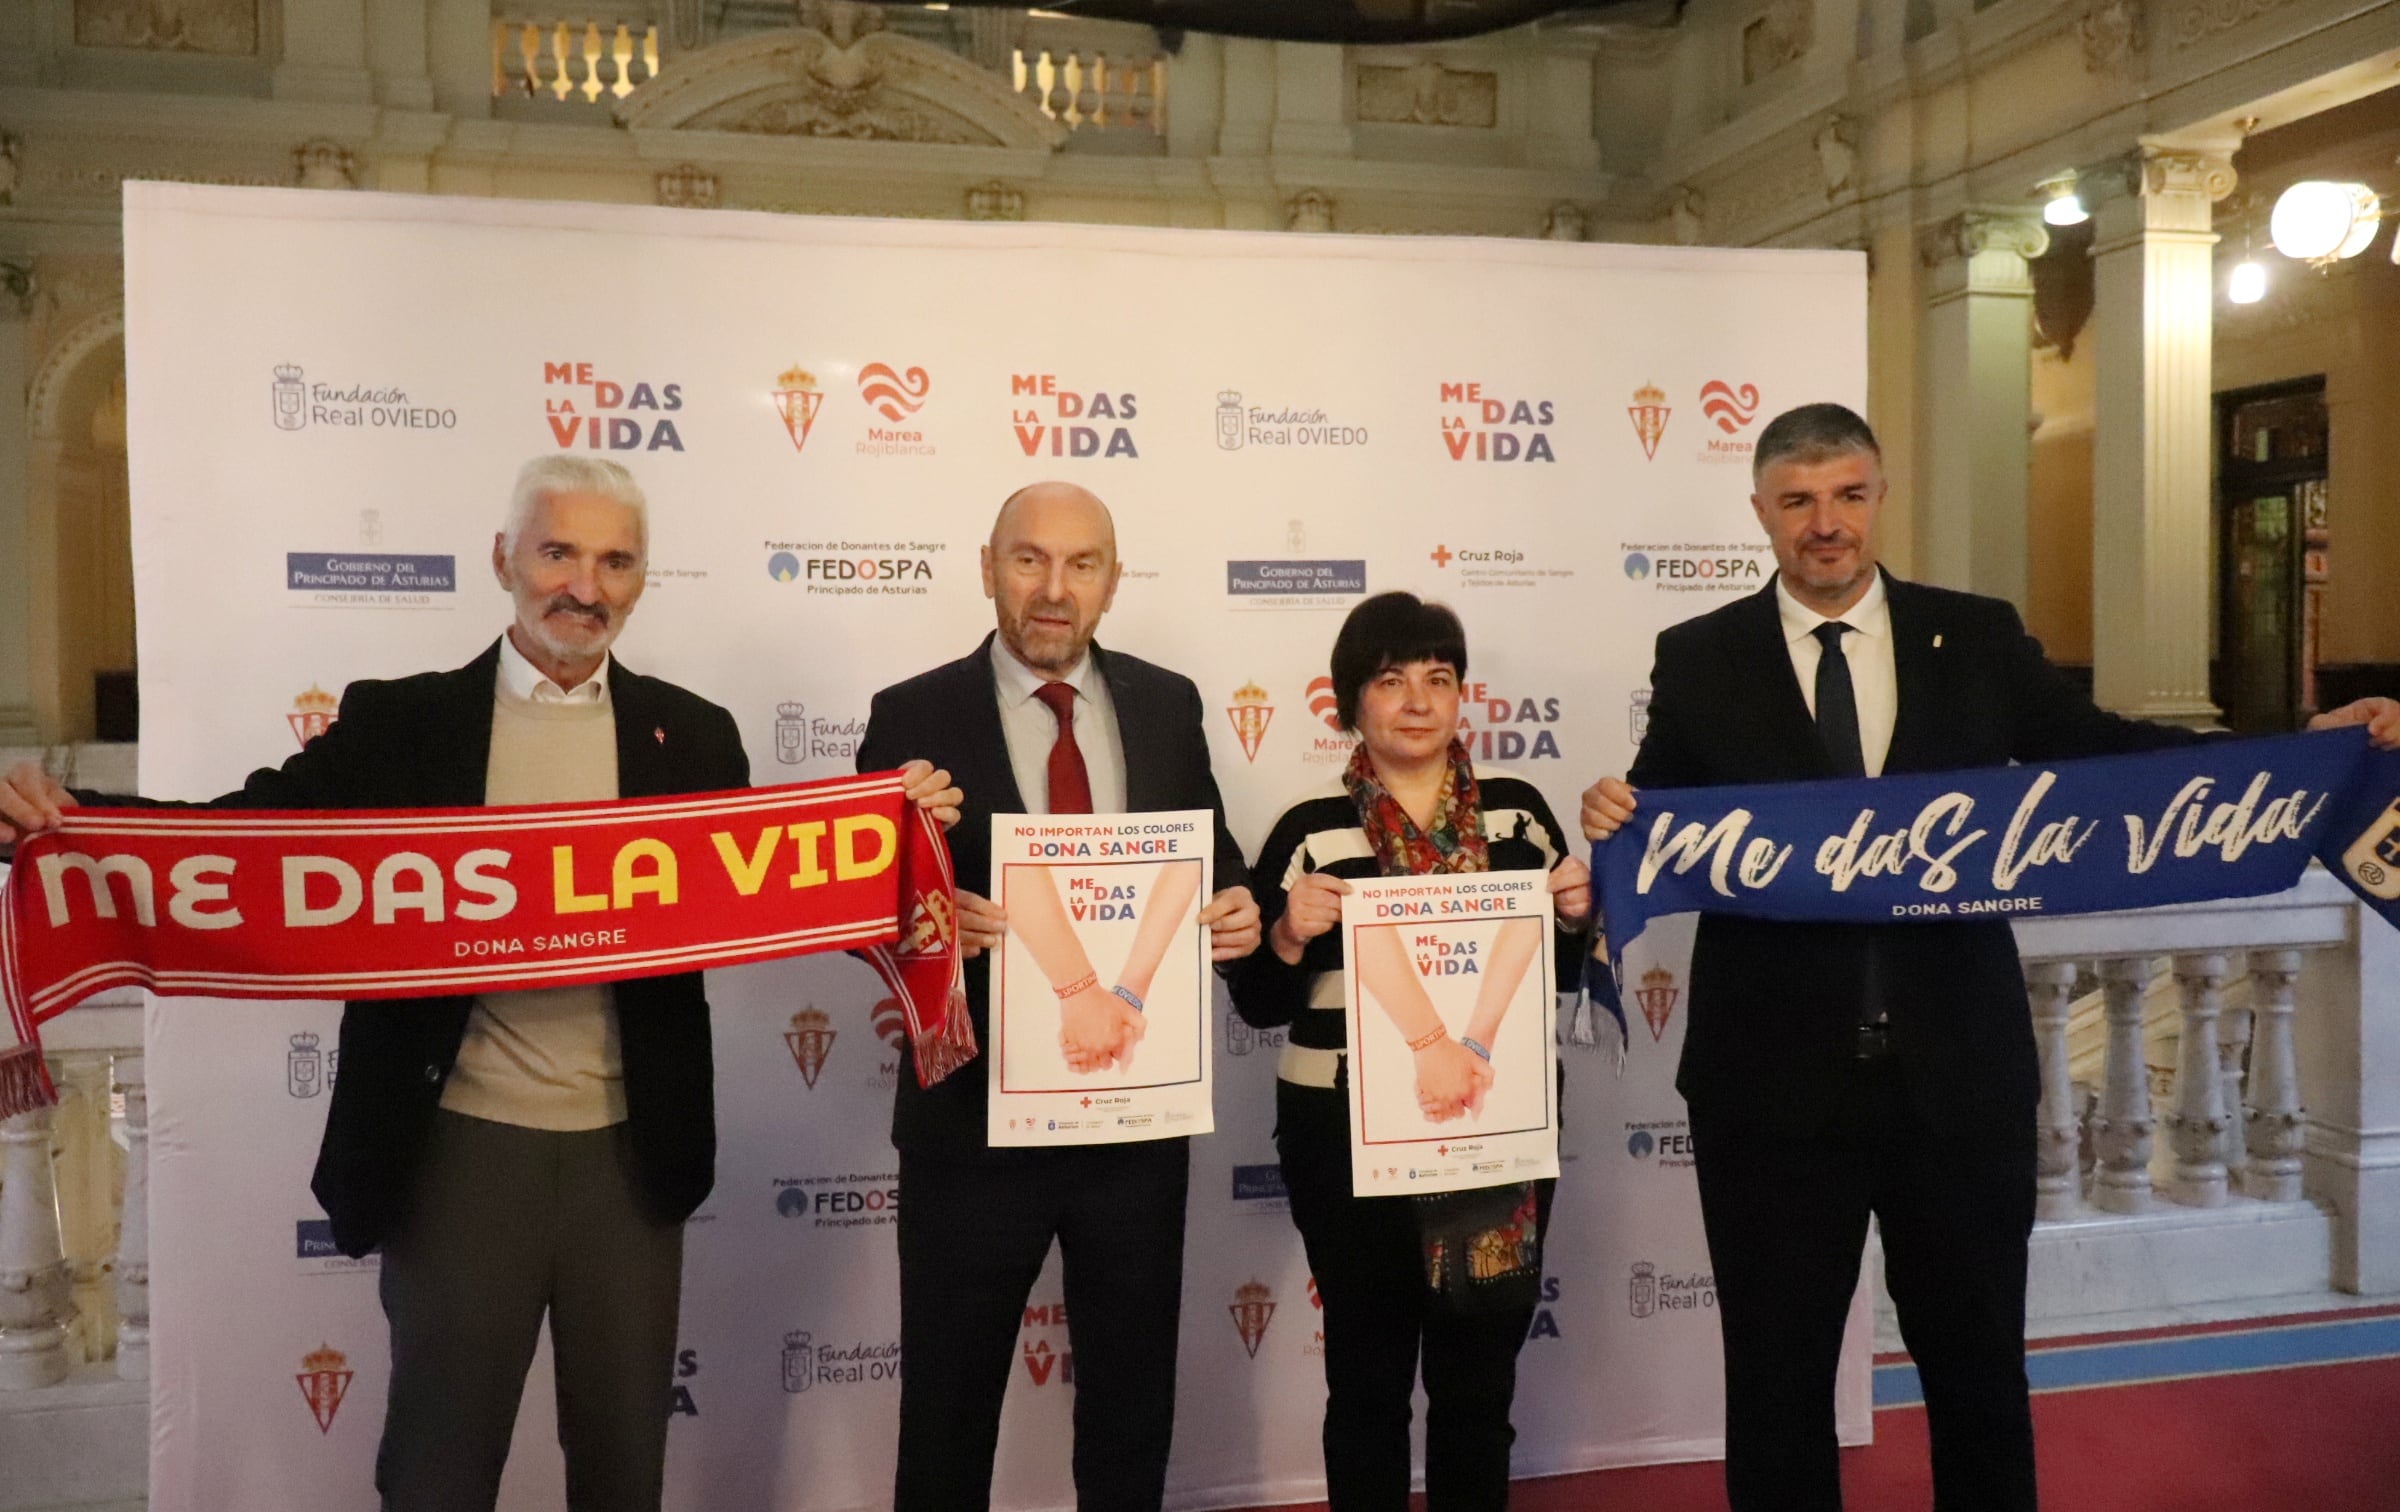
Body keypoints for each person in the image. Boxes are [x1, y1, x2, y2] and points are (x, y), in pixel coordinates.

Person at [0, 455, 958, 1512]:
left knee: (623, 1471)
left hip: (632, 1162)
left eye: (614, 561)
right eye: (558, 552)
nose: (583, 587)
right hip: (455, 1155)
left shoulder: (693, 736)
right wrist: (73, 818)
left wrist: (892, 832)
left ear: (641, 582)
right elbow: (244, 840)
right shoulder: (401, 723)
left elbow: (777, 875)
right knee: (437, 1471)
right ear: (504, 559)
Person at [1576, 403, 2400, 1512]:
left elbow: (2111, 752)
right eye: (1799, 501)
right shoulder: (1701, 655)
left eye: (1849, 495)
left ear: (1880, 497)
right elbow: (1661, 808)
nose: (1827, 524)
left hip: (1956, 1083)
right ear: (1762, 513)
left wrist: (2295, 757)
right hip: (1768, 1093)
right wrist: (1618, 813)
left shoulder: (1973, 635)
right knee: (1774, 1389)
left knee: (1978, 1380)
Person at [854, 480, 1259, 1512]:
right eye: (1029, 559)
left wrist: (1243, 913)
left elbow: (1210, 868)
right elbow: (861, 916)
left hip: (1135, 1126)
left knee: (1131, 1417)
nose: (1053, 588)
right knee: (945, 1420)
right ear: (987, 567)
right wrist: (925, 912)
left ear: (1112, 583)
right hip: (969, 1131)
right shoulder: (911, 716)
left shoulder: (1168, 702)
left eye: (1082, 565)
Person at [1226, 591, 1589, 1512]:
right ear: (1351, 702)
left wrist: (1579, 919)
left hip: (1494, 1135)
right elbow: (1260, 1003)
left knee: (1478, 1387)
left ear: (1464, 696)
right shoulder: (1308, 831)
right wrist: (1286, 936)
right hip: (1342, 1138)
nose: (1420, 700)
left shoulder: (1518, 819)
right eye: (1392, 680)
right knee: (1369, 1383)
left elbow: (1563, 975)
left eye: (1439, 678)